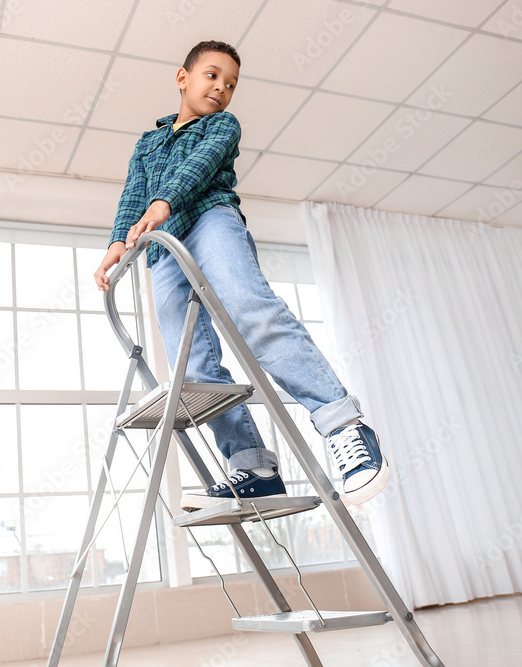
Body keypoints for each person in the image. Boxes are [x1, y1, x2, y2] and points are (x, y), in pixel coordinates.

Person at [93, 40, 389, 510]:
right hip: (163, 247)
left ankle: (343, 425)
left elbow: (197, 168)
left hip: (209, 221)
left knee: (252, 314)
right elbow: (133, 194)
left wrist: (162, 204)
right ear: (182, 78)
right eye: (212, 75)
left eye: (231, 83)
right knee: (191, 368)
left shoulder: (222, 125)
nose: (221, 88)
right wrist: (115, 245)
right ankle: (253, 465)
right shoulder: (148, 142)